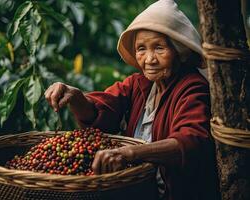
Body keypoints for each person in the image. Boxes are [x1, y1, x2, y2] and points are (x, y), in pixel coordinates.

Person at [44, 0, 220, 199]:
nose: (149, 59)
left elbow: (191, 141)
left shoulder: (192, 87)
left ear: (180, 51)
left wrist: (130, 153)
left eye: (159, 48)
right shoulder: (139, 84)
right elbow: (102, 111)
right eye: (141, 48)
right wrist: (75, 97)